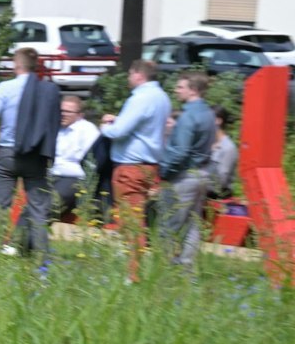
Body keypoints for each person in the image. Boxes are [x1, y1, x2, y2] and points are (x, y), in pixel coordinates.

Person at [0, 47, 62, 259]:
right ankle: (41, 259)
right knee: (38, 209)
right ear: (35, 66)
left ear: (16, 65)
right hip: (36, 155)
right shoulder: (47, 90)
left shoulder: (4, 88)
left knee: (2, 206)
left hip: (7, 153)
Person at [100, 59, 172, 265]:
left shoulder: (140, 98)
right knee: (134, 218)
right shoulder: (162, 98)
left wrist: (106, 127)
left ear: (139, 75)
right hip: (150, 164)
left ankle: (133, 273)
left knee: (130, 221)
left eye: (130, 74)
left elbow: (119, 131)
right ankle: (134, 265)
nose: (129, 78)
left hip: (131, 167)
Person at [156, 70, 216, 267]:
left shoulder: (188, 116)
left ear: (193, 90)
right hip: (202, 173)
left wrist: (164, 171)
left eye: (180, 86)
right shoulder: (208, 114)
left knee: (169, 224)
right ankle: (186, 269)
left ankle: (163, 270)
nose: (176, 90)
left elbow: (180, 152)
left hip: (183, 176)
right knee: (192, 225)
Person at [49, 94, 101, 224]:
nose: (63, 114)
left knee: (50, 204)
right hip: (52, 175)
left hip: (74, 179)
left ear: (79, 114)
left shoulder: (87, 130)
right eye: (61, 111)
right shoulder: (56, 128)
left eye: (68, 112)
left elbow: (92, 162)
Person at [207, 104, 239, 198]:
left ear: (218, 121)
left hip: (217, 200)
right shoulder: (207, 144)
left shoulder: (228, 148)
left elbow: (220, 182)